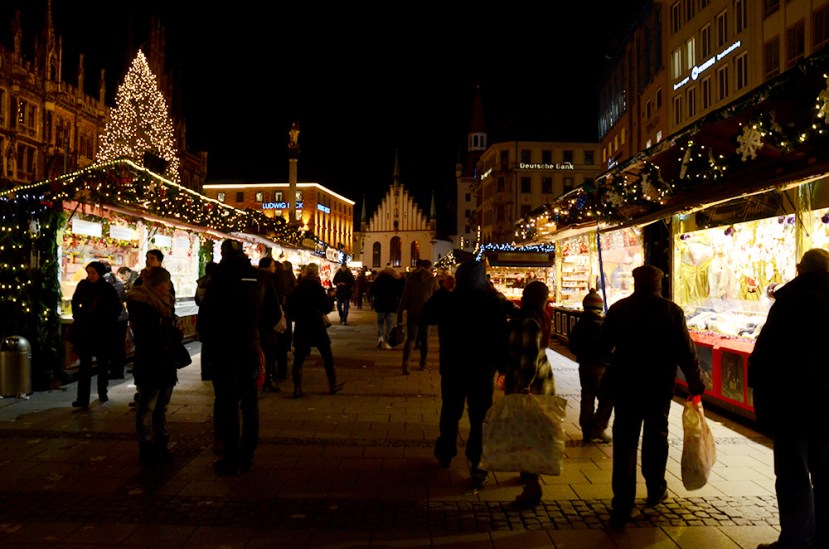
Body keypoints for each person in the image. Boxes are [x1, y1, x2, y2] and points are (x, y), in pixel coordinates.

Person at [600, 265, 705, 528]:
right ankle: (656, 488)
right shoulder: (671, 311)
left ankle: (622, 504)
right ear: (658, 283)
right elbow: (686, 351)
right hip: (658, 386)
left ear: (636, 283)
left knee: (624, 442)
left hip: (626, 385)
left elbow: (603, 345)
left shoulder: (620, 309)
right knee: (656, 438)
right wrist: (696, 383)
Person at [749, 248, 829, 549]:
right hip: (824, 405)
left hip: (793, 403)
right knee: (825, 473)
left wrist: (762, 395)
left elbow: (770, 354)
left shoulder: (790, 302)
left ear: (800, 268)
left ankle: (796, 538)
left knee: (793, 473)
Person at [422, 259, 517, 489]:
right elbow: (503, 334)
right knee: (479, 417)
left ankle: (445, 452)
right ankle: (477, 463)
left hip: (453, 367)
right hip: (482, 370)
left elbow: (426, 315)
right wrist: (503, 366)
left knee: (450, 412)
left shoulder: (450, 301)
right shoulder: (492, 303)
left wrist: (443, 290)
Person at [200, 239, 279, 475]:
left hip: (223, 349)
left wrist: (211, 340)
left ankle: (231, 455)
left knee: (227, 402)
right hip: (250, 347)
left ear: (223, 254)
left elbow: (206, 316)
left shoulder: (219, 278)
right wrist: (256, 333)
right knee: (250, 401)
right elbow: (274, 313)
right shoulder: (260, 277)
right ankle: (248, 453)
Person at [504, 280, 556, 507]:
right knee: (529, 433)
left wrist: (521, 386)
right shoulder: (537, 320)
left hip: (529, 388)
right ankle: (528, 477)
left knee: (527, 436)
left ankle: (532, 486)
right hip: (539, 385)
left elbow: (529, 361)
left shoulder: (528, 322)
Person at [126, 266, 179, 466]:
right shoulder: (141, 302)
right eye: (166, 282)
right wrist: (167, 332)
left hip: (165, 360)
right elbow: (147, 335)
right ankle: (146, 445)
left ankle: (161, 443)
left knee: (162, 406)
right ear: (156, 284)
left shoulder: (165, 302)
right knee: (147, 404)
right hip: (150, 360)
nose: (169, 286)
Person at [284, 262, 344, 398]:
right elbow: (326, 308)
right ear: (316, 273)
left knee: (298, 358)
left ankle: (297, 388)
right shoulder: (317, 288)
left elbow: (289, 307)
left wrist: (296, 317)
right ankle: (332, 384)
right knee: (327, 355)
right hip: (316, 324)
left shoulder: (298, 288)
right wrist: (330, 297)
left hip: (301, 325)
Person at [69, 261, 122, 409]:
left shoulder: (107, 288)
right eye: (89, 272)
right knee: (84, 365)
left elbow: (117, 307)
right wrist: (78, 316)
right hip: (86, 330)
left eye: (93, 273)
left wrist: (109, 321)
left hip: (101, 331)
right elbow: (75, 301)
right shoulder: (83, 285)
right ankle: (82, 399)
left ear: (99, 273)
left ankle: (102, 391)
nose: (90, 276)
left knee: (102, 364)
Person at [568, 288, 613, 444]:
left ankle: (586, 430)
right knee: (607, 399)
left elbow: (572, 345)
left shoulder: (579, 325)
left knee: (587, 397)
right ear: (599, 308)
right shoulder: (602, 325)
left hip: (584, 366)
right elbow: (610, 346)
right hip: (601, 366)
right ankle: (598, 429)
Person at [397, 259, 438, 374]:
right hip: (427, 313)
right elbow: (438, 297)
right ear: (429, 268)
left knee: (410, 340)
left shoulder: (411, 278)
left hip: (413, 312)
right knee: (425, 341)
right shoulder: (432, 279)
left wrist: (400, 313)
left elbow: (404, 297)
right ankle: (423, 364)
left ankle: (405, 364)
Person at [258, 256, 282, 392]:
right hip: (267, 325)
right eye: (273, 265)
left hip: (256, 323)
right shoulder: (269, 280)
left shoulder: (256, 278)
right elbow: (273, 304)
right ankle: (267, 380)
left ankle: (260, 379)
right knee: (269, 354)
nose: (275, 268)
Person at [104, 262, 129, 380]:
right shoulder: (118, 281)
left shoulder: (103, 283)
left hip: (110, 319)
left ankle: (113, 370)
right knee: (119, 345)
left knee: (111, 346)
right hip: (122, 317)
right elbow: (124, 297)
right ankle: (119, 370)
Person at [275, 260, 297, 382]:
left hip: (276, 313)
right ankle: (283, 371)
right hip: (286, 313)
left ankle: (271, 373)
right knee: (283, 342)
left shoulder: (274, 278)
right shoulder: (289, 277)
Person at [369, 266, 402, 349]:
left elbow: (372, 291)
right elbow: (399, 292)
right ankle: (388, 342)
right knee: (389, 324)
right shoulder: (394, 281)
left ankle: (380, 338)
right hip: (391, 305)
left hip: (380, 305)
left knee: (380, 323)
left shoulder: (378, 280)